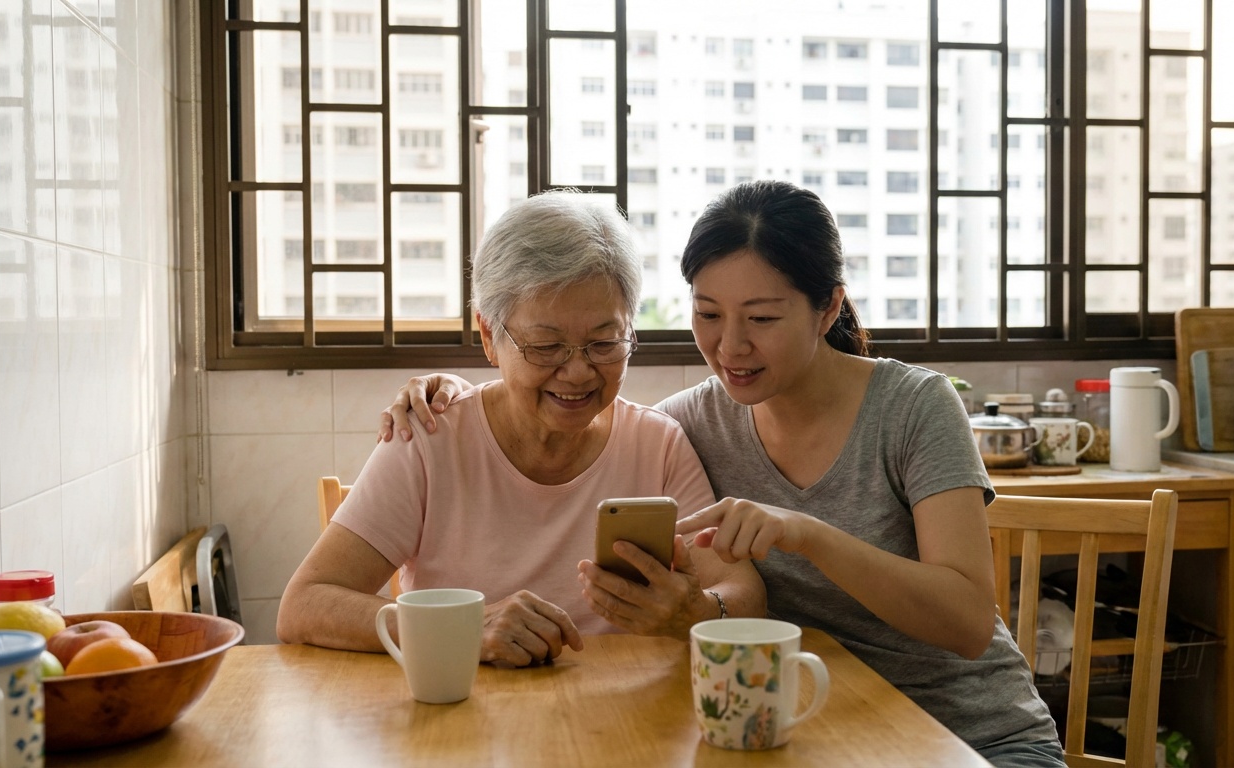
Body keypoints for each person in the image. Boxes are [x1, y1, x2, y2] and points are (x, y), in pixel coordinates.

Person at [379, 181, 1063, 766]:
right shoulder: (692, 425)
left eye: (761, 319)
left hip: (968, 738)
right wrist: (459, 391)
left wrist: (808, 534)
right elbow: (582, 409)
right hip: (804, 730)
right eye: (707, 316)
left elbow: (969, 622)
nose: (730, 348)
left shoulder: (915, 407)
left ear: (828, 307)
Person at [278, 191, 764, 668]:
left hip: (620, 726)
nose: (577, 373)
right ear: (489, 335)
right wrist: (461, 628)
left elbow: (742, 593)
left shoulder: (657, 445)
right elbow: (304, 606)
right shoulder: (430, 438)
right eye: (546, 346)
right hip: (461, 722)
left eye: (604, 342)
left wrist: (697, 612)